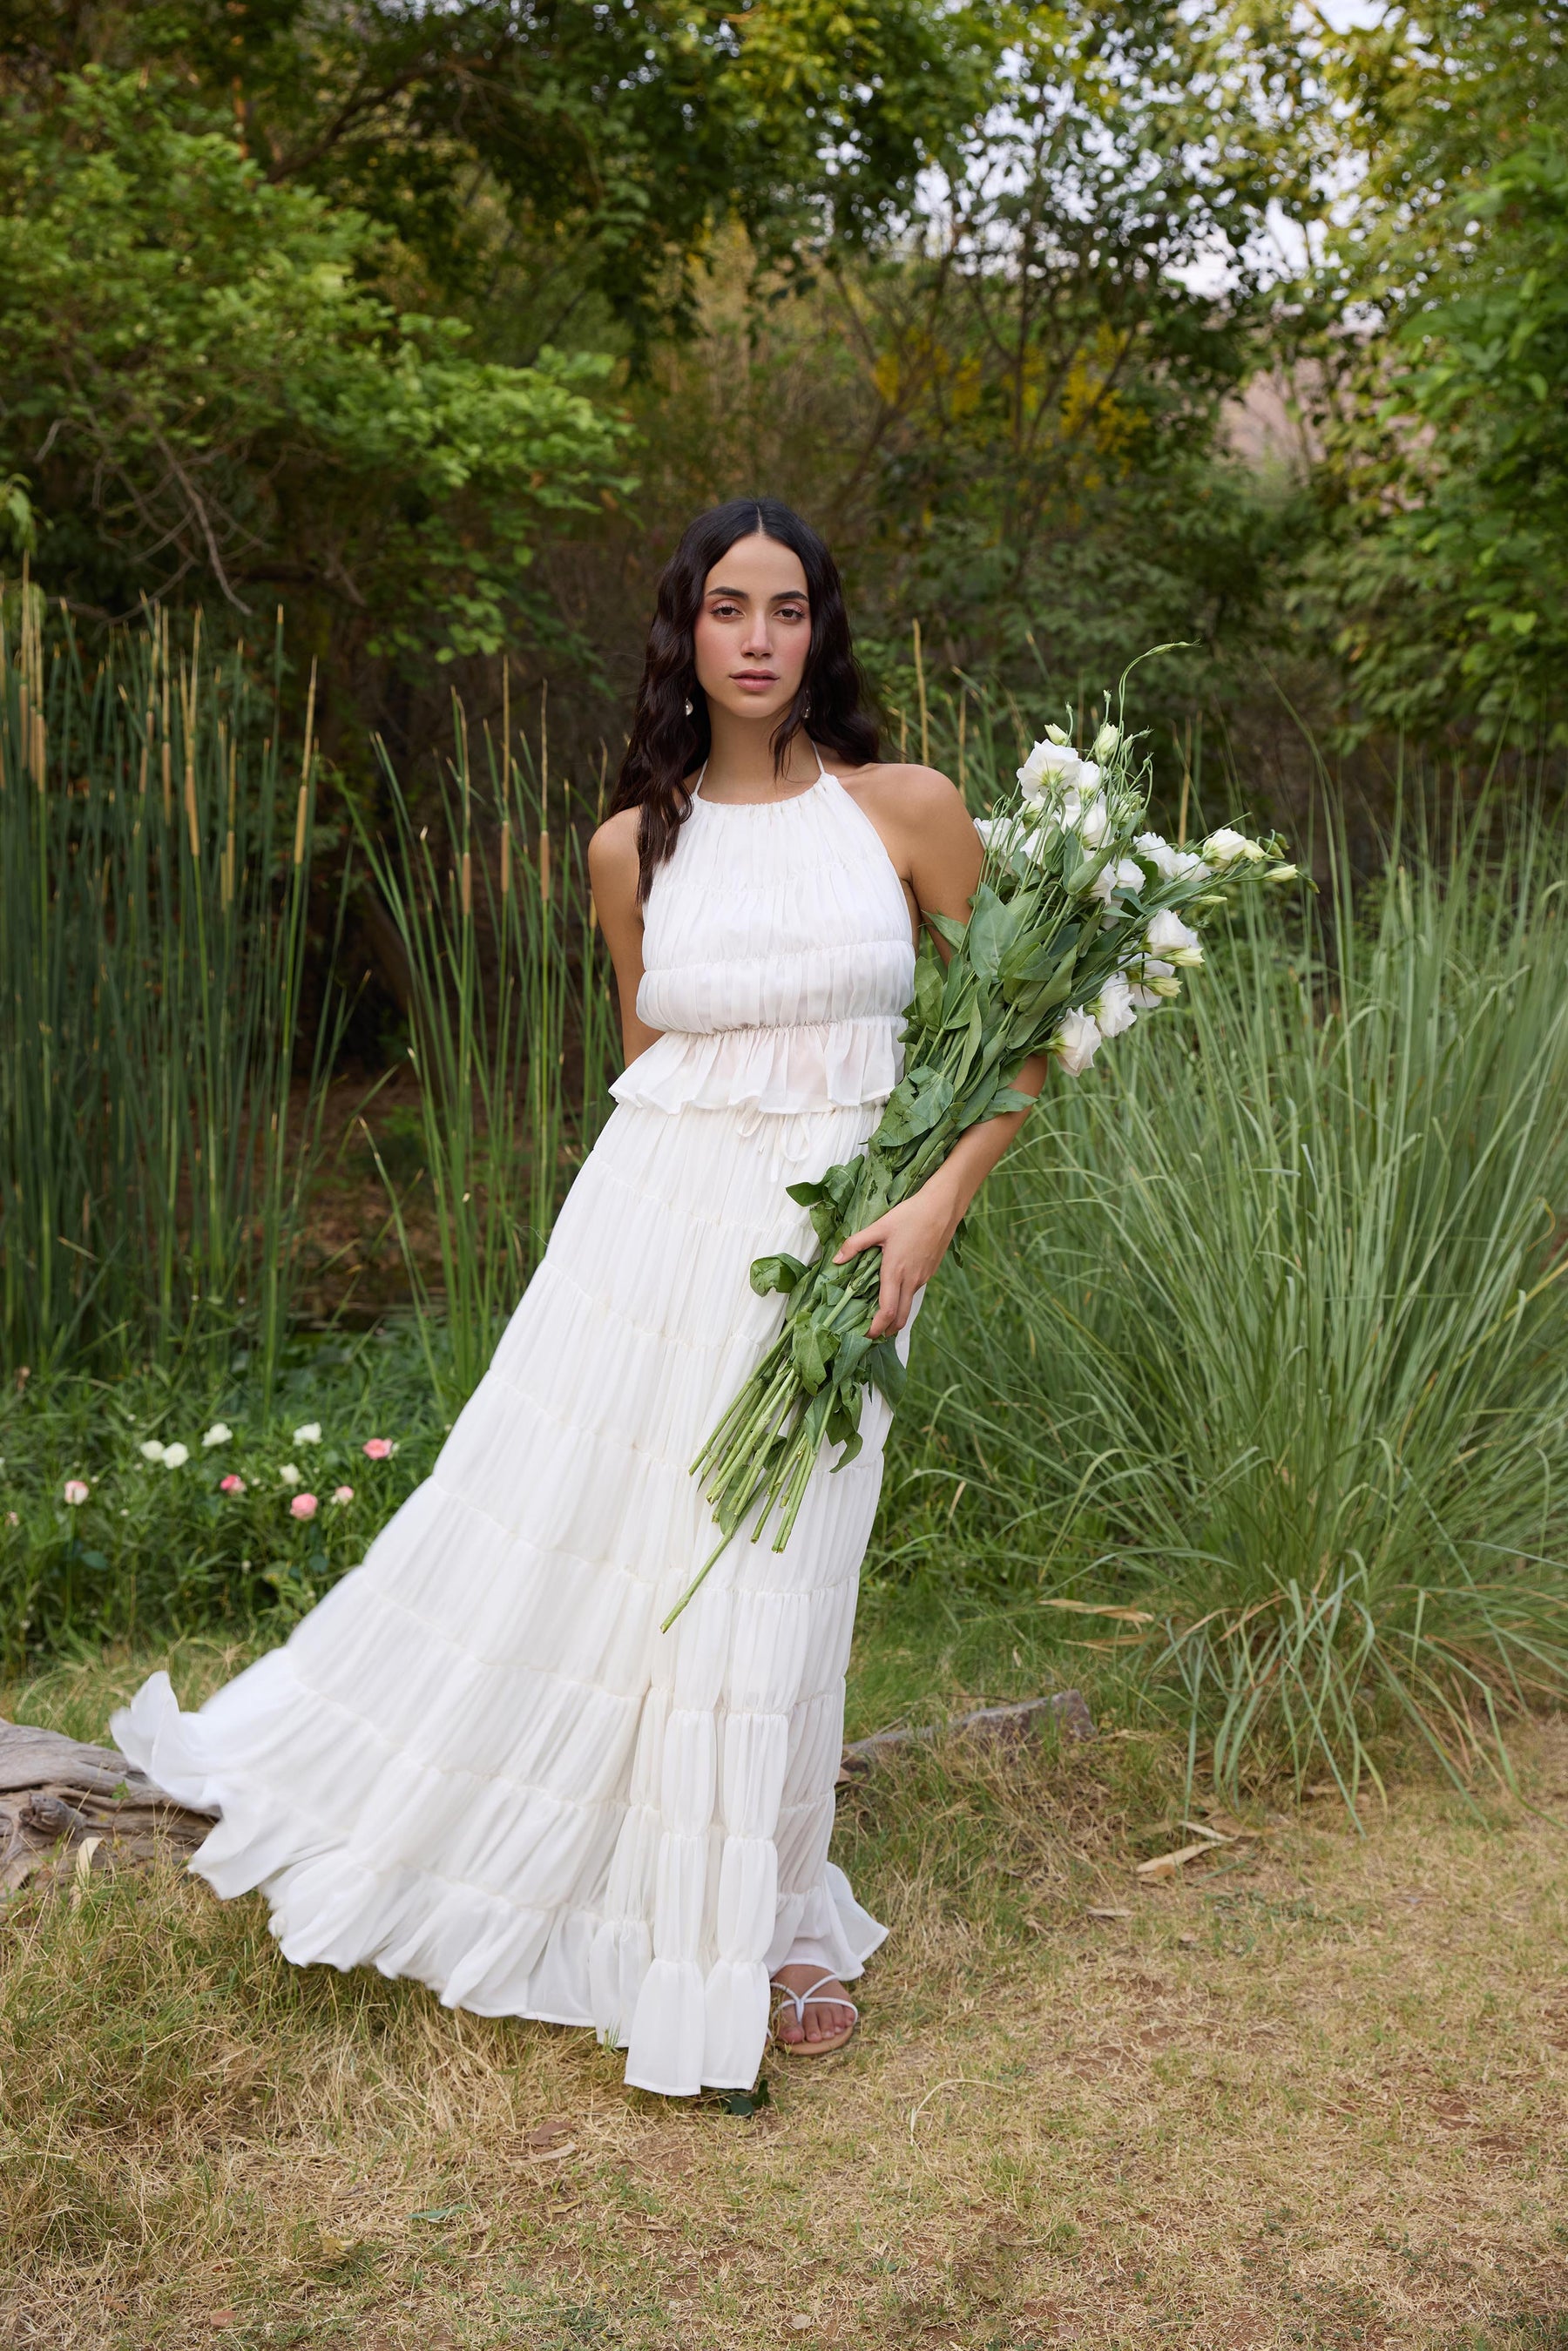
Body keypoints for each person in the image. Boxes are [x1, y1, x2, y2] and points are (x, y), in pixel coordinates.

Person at [112, 497, 1049, 2097]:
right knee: (627, 1554)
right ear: (686, 631)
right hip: (649, 1243)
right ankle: (681, 1913)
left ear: (821, 634)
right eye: (729, 609)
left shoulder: (907, 812)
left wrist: (934, 1206)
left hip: (844, 1245)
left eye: (790, 610)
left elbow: (1019, 1039)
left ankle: (773, 1920)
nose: (760, 639)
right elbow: (647, 1067)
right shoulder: (632, 845)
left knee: (786, 1576)